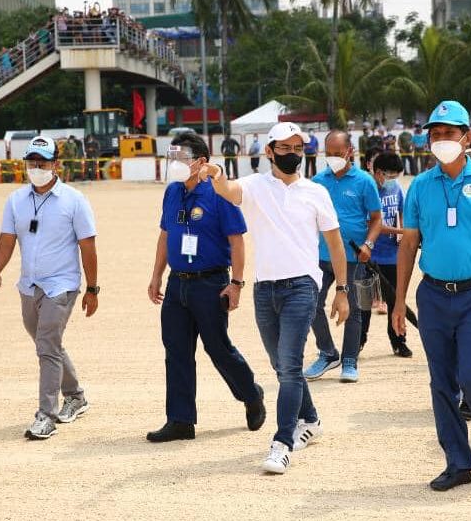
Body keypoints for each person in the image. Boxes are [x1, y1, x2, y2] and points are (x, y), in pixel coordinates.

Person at [199, 121, 350, 474]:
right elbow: (227, 190)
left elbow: (335, 244)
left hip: (302, 286)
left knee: (289, 366)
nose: (293, 154)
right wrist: (217, 172)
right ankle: (309, 419)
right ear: (269, 152)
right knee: (283, 367)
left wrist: (342, 290)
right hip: (264, 287)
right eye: (285, 148)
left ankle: (281, 443)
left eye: (298, 148)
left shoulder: (316, 192)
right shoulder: (254, 186)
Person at [393, 101, 471, 491]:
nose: (442, 140)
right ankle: (458, 461)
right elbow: (409, 244)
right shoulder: (419, 186)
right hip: (433, 295)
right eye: (435, 133)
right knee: (442, 382)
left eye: (450, 133)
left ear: (467, 137)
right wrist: (399, 301)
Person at [146, 133, 266, 442]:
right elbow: (165, 234)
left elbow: (237, 240)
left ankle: (250, 394)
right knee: (176, 351)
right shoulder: (172, 192)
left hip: (210, 283)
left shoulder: (218, 193)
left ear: (201, 162)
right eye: (172, 158)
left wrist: (236, 284)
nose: (175, 164)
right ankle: (180, 420)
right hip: (177, 284)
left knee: (218, 348)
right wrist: (156, 275)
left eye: (181, 158)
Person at [0, 136, 99, 440]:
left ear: (55, 164)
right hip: (29, 285)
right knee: (48, 343)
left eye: (43, 162)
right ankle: (76, 395)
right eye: (31, 161)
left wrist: (93, 289)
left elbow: (88, 246)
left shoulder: (74, 200)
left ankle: (45, 415)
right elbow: (7, 239)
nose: (36, 167)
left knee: (47, 345)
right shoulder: (16, 200)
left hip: (61, 285)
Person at [304, 130, 383, 383]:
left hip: (352, 257)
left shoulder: (364, 181)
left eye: (338, 153)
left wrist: (369, 244)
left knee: (354, 308)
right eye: (329, 154)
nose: (334, 158)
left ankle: (350, 360)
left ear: (351, 151)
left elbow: (376, 219)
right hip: (320, 255)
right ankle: (328, 353)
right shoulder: (317, 181)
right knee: (311, 304)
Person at [359, 151, 413, 358]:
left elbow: (401, 209)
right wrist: (401, 232)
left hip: (392, 254)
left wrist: (402, 228)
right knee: (364, 303)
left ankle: (399, 341)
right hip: (370, 254)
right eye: (390, 176)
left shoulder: (395, 186)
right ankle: (359, 341)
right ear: (379, 172)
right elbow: (373, 224)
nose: (393, 180)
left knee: (395, 300)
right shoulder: (367, 190)